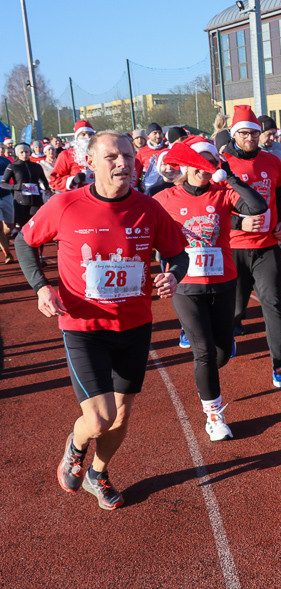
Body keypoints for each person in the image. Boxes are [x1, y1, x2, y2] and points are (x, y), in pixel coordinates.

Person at [15, 131, 188, 509]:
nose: (122, 163)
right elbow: (25, 243)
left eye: (128, 155)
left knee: (122, 414)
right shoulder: (64, 204)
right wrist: (42, 288)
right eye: (111, 157)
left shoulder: (149, 207)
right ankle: (76, 447)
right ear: (90, 163)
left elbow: (178, 254)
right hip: (84, 328)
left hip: (135, 325)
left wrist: (173, 275)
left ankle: (98, 471)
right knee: (98, 419)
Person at [154, 139, 267, 440]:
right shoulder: (165, 198)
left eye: (211, 162)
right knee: (203, 352)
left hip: (222, 281)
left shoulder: (222, 194)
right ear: (186, 164)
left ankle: (218, 356)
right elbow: (152, 236)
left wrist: (230, 177)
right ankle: (214, 415)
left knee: (219, 354)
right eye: (200, 162)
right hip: (185, 285)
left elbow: (258, 206)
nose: (205, 169)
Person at [221, 104, 281, 390]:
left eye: (254, 133)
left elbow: (279, 193)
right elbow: (211, 207)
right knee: (236, 307)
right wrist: (237, 224)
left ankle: (280, 367)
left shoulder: (271, 160)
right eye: (244, 133)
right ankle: (230, 329)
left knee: (273, 304)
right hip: (233, 247)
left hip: (267, 244)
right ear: (234, 135)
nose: (250, 138)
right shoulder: (222, 163)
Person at [1, 143, 52, 231]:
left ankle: (38, 244)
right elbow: (3, 183)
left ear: (30, 152)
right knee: (24, 227)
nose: (24, 154)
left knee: (36, 225)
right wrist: (17, 186)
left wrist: (47, 188)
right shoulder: (13, 166)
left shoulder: (36, 166)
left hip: (36, 200)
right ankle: (25, 243)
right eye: (22, 152)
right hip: (21, 201)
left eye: (26, 152)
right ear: (17, 154)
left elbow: (44, 180)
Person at [49, 120, 96, 192]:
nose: (87, 137)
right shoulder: (66, 155)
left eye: (90, 134)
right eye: (83, 134)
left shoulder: (101, 153)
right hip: (77, 196)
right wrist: (73, 180)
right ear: (77, 137)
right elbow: (54, 180)